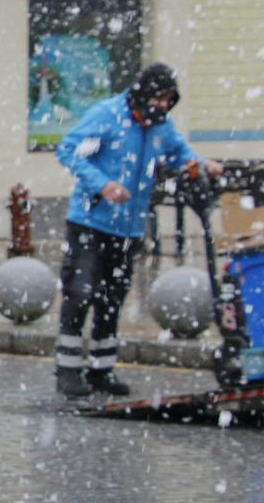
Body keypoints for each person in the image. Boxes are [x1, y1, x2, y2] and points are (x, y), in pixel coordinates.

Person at [53, 62, 223, 400]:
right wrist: (103, 185)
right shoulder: (107, 115)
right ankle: (67, 369)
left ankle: (103, 370)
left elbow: (179, 154)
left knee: (112, 298)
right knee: (81, 292)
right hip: (90, 221)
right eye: (158, 98)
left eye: (168, 100)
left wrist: (202, 165)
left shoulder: (161, 128)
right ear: (141, 94)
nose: (161, 106)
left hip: (128, 228)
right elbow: (69, 151)